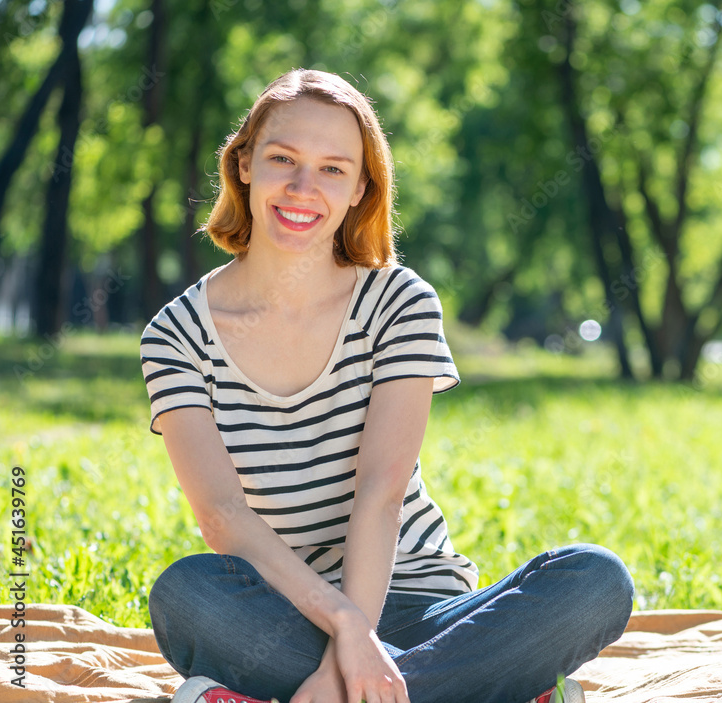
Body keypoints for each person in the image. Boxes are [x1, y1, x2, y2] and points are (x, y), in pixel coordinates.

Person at [140, 68, 634, 703]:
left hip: (428, 609)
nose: (302, 187)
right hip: (289, 609)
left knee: (594, 579)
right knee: (188, 594)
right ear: (242, 165)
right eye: (282, 159)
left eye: (332, 169)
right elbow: (224, 517)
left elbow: (380, 491)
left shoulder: (399, 302)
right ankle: (486, 691)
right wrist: (343, 627)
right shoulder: (176, 334)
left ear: (360, 189)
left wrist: (356, 640)